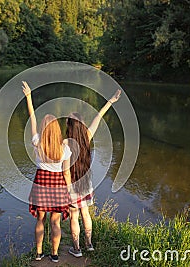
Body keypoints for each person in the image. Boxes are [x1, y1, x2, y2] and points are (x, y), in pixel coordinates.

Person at [66, 89, 122, 258]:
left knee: (74, 217)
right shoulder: (87, 137)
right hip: (86, 183)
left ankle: (76, 249)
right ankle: (89, 244)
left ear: (69, 125)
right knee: (86, 213)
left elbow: (67, 171)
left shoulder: (66, 144)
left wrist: (67, 190)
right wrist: (110, 101)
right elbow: (98, 117)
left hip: (73, 186)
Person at [23, 81, 72, 263]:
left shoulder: (37, 143)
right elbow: (66, 173)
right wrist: (69, 191)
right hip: (58, 185)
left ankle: (38, 253)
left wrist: (29, 97)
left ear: (44, 130)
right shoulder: (64, 149)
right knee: (55, 223)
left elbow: (33, 118)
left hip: (41, 184)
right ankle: (54, 255)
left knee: (40, 221)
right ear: (57, 129)